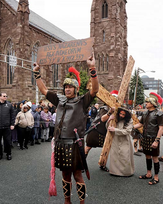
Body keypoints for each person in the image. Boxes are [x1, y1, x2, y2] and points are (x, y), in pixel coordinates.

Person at [33, 53, 98, 204]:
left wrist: (92, 68)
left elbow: (94, 90)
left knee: (77, 175)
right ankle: (67, 201)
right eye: (66, 87)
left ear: (76, 89)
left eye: (70, 87)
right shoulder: (59, 99)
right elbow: (43, 90)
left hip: (75, 144)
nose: (67, 89)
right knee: (65, 175)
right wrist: (37, 73)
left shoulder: (82, 101)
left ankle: (81, 202)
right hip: (60, 143)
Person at [134, 92, 163, 185]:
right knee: (147, 156)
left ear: (152, 103)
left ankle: (156, 177)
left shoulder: (159, 113)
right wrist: (130, 127)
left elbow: (161, 128)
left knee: (155, 158)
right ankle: (148, 174)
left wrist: (157, 140)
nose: (145, 104)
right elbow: (140, 124)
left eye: (147, 102)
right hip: (145, 137)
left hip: (153, 138)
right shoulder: (145, 113)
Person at [104, 106, 134, 176]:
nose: (121, 116)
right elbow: (108, 128)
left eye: (123, 114)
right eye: (120, 114)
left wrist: (115, 130)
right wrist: (109, 120)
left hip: (125, 140)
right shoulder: (115, 118)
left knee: (125, 155)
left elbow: (128, 131)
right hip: (115, 139)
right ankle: (114, 172)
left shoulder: (130, 120)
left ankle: (126, 172)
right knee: (115, 155)